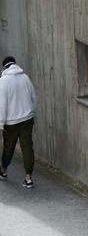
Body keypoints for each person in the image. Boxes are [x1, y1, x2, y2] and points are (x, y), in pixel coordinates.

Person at [0, 56, 37, 189]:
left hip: (11, 122)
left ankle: (3, 170)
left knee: (9, 147)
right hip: (27, 119)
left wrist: (0, 124)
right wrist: (31, 112)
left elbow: (2, 105)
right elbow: (33, 97)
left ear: (4, 67)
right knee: (27, 147)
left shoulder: (3, 82)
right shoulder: (25, 78)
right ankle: (28, 178)